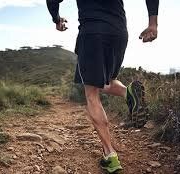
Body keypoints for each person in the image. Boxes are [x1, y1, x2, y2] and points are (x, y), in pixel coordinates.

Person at [46, 0, 159, 173]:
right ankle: (127, 92)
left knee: (91, 94)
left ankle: (109, 154)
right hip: (119, 31)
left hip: (92, 32)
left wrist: (56, 19)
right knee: (108, 80)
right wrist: (152, 24)